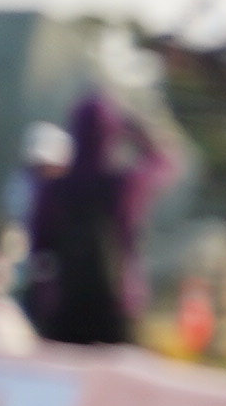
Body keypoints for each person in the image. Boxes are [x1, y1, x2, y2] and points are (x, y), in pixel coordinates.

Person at [22, 94, 173, 348]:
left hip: (65, 305)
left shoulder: (54, 190)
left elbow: (38, 247)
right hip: (118, 306)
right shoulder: (125, 187)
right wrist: (134, 128)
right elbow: (164, 161)